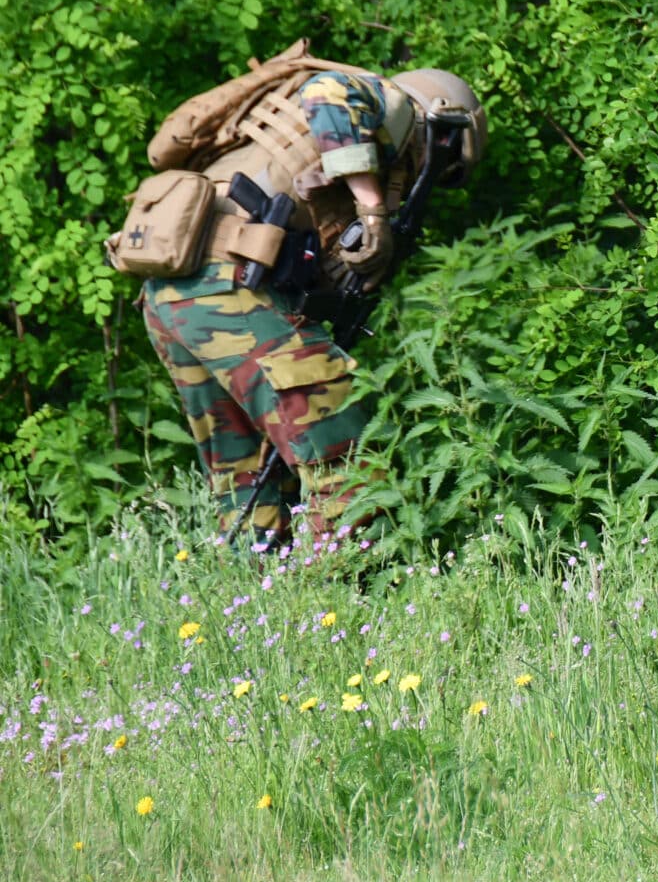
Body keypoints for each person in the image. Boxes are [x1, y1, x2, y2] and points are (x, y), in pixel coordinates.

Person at [107, 41, 484, 546]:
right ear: (444, 128)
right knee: (342, 450)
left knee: (245, 473)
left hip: (176, 294)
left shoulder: (324, 137)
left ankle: (254, 598)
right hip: (229, 285)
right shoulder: (397, 108)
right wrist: (373, 212)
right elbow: (326, 90)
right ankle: (337, 594)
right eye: (445, 167)